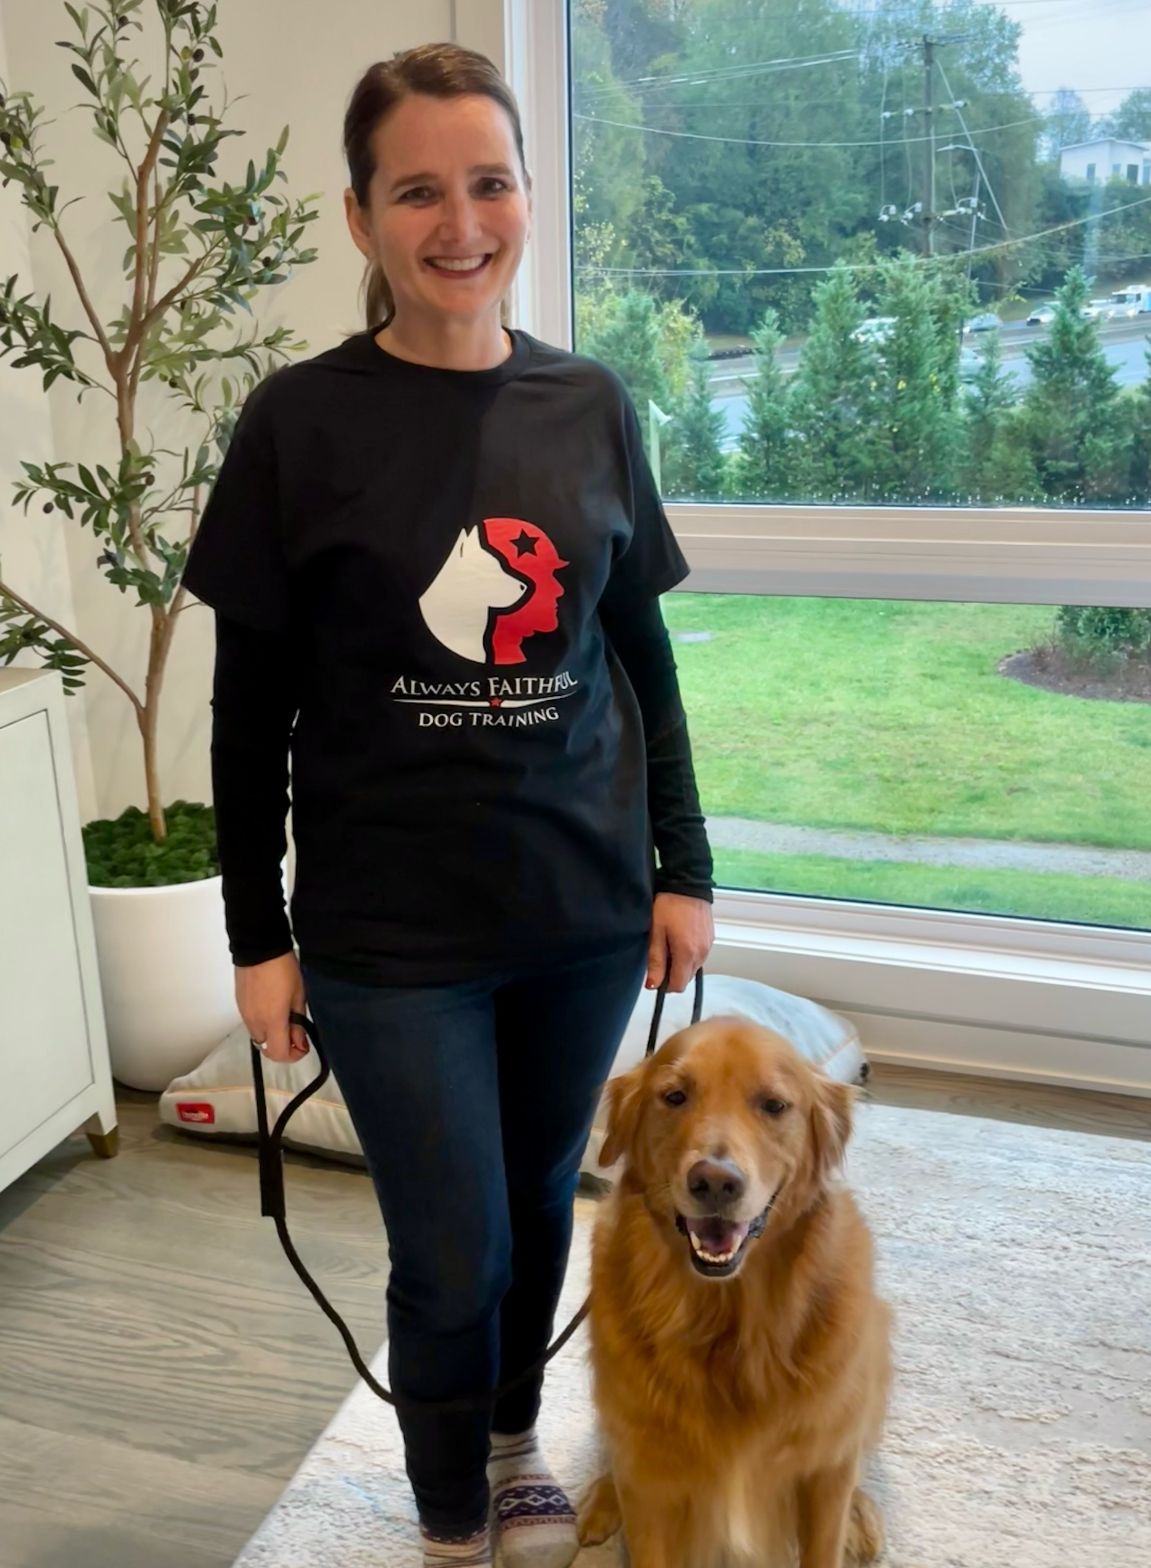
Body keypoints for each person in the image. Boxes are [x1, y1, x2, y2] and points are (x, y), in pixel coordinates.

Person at [182, 42, 714, 1568]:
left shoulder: (592, 404)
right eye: (418, 189)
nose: (459, 220)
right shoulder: (300, 425)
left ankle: (504, 1437)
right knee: (453, 1243)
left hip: (583, 910)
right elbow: (246, 715)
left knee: (545, 1196)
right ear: (361, 218)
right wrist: (256, 935)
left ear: (529, 197)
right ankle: (442, 1520)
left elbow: (642, 659)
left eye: (489, 181)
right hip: (388, 935)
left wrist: (684, 865)